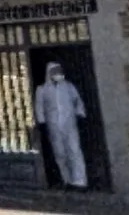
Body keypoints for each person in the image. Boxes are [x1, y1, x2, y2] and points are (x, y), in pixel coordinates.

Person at [34, 61, 88, 191]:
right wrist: (42, 122)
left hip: (70, 124)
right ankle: (67, 180)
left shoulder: (69, 87)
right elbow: (39, 107)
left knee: (75, 151)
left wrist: (80, 114)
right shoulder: (42, 90)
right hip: (54, 126)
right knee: (60, 153)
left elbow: (77, 101)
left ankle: (80, 181)